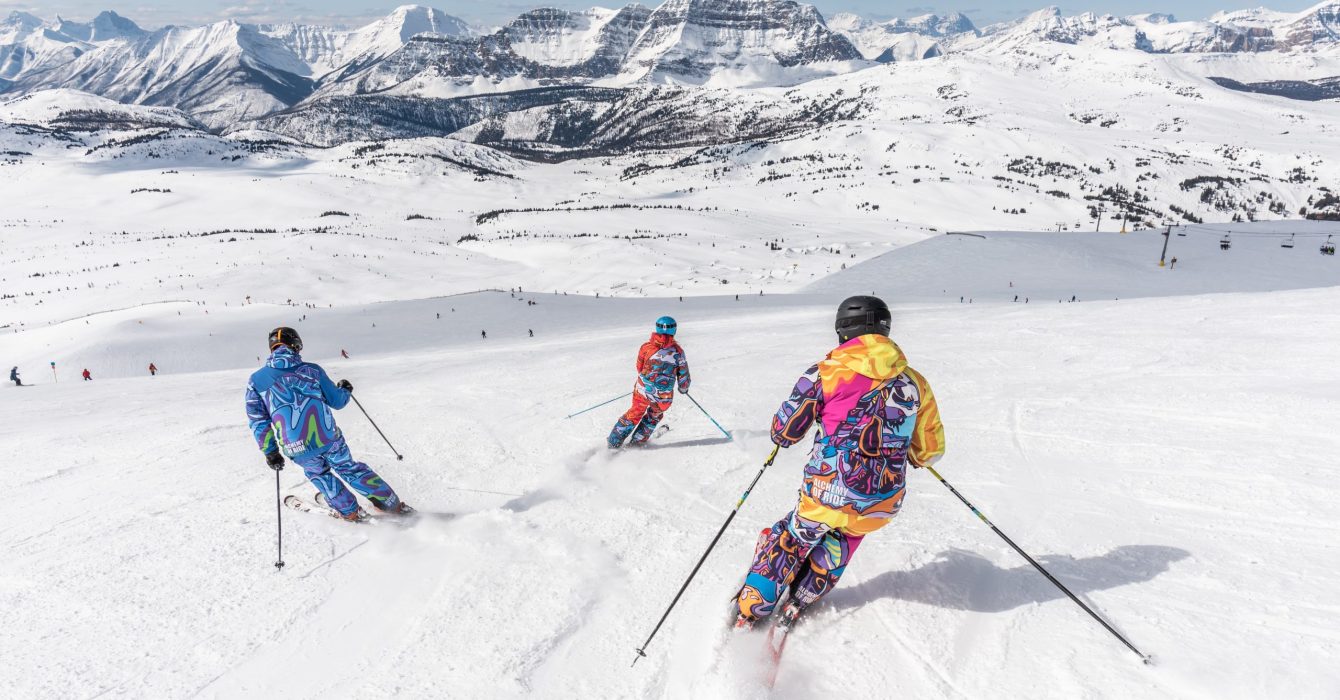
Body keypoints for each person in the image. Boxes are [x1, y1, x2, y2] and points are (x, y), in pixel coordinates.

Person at [734, 296, 945, 629]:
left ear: (844, 331)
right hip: (881, 500)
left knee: (793, 536)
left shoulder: (825, 373)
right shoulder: (915, 382)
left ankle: (753, 605)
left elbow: (786, 430)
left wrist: (780, 438)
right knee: (844, 538)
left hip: (826, 490)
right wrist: (915, 454)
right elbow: (929, 449)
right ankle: (801, 598)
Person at [245, 327, 412, 521]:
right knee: (348, 468)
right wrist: (345, 390)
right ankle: (390, 504)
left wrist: (270, 452)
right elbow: (337, 401)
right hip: (328, 437)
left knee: (320, 474)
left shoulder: (256, 380)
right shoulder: (312, 370)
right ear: (296, 345)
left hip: (295, 446)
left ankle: (350, 511)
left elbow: (258, 420)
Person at [607, 317, 690, 449]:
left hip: (642, 389)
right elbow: (683, 375)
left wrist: (647, 380)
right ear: (674, 330)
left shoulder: (646, 347)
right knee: (654, 415)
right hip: (663, 396)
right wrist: (683, 388)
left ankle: (614, 441)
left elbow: (639, 367)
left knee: (635, 412)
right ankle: (637, 442)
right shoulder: (678, 352)